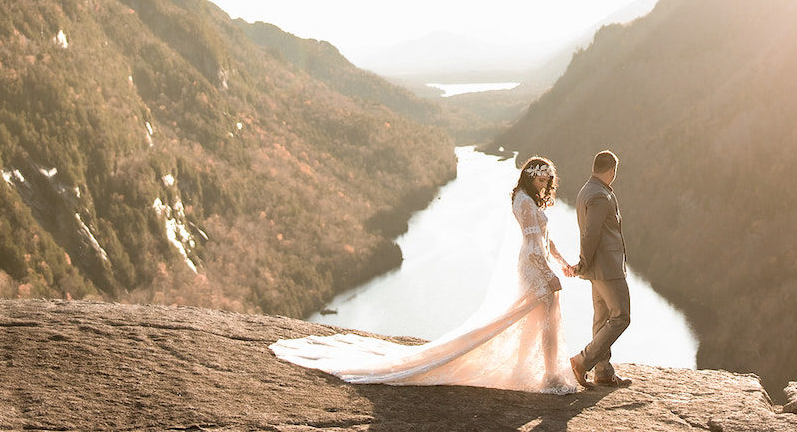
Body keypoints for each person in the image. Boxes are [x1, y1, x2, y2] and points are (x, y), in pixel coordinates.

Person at [269, 156, 578, 394]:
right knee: (540, 314)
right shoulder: (523, 202)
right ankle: (547, 373)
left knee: (538, 316)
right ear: (529, 175)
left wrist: (560, 262)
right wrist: (545, 271)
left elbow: (545, 238)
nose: (544, 180)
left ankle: (540, 370)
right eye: (540, 175)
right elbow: (531, 241)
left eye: (547, 177)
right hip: (533, 265)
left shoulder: (529, 200)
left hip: (540, 264)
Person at [567, 150, 632, 388]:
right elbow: (591, 233)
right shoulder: (600, 195)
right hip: (607, 267)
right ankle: (582, 361)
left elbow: (589, 231)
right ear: (612, 170)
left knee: (602, 317)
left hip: (598, 267)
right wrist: (583, 261)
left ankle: (603, 372)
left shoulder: (586, 190)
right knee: (621, 316)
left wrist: (586, 263)